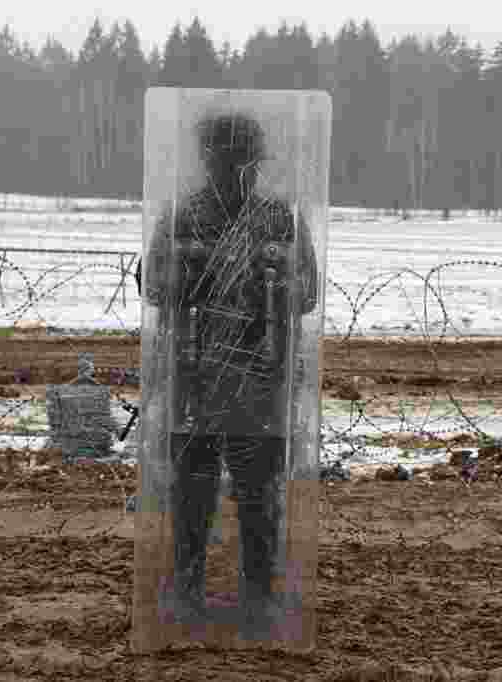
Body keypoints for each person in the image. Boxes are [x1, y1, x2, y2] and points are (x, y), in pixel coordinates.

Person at [138, 110, 318, 638]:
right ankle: (188, 597)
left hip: (260, 379)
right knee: (191, 498)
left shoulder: (279, 220)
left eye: (244, 161)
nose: (236, 170)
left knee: (260, 498)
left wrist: (275, 281)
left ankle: (259, 603)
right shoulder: (182, 216)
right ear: (208, 159)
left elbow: (306, 293)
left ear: (256, 163)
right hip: (193, 378)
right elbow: (153, 286)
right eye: (226, 159)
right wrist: (188, 271)